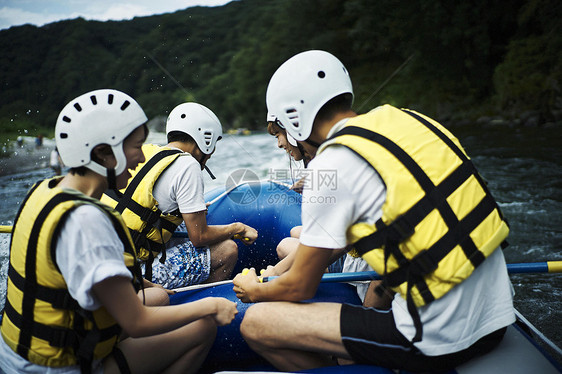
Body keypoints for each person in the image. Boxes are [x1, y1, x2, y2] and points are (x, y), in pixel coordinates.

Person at [233, 50, 515, 372]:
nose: (286, 147)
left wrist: (255, 289)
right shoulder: (412, 120)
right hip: (498, 317)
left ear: (294, 119)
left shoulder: (333, 163)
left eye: (280, 130)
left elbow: (300, 286)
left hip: (436, 338)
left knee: (256, 324)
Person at [0, 89, 237, 374]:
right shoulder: (88, 221)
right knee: (202, 328)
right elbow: (137, 322)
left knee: (159, 298)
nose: (140, 158)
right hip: (60, 368)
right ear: (103, 153)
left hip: (16, 356)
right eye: (135, 146)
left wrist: (148, 286)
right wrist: (211, 305)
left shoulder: (43, 191)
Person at [102, 102, 258, 289]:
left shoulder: (148, 152)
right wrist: (237, 228)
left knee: (186, 223)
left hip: (106, 263)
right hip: (134, 273)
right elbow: (199, 237)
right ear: (205, 140)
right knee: (227, 250)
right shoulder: (188, 165)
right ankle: (204, 305)